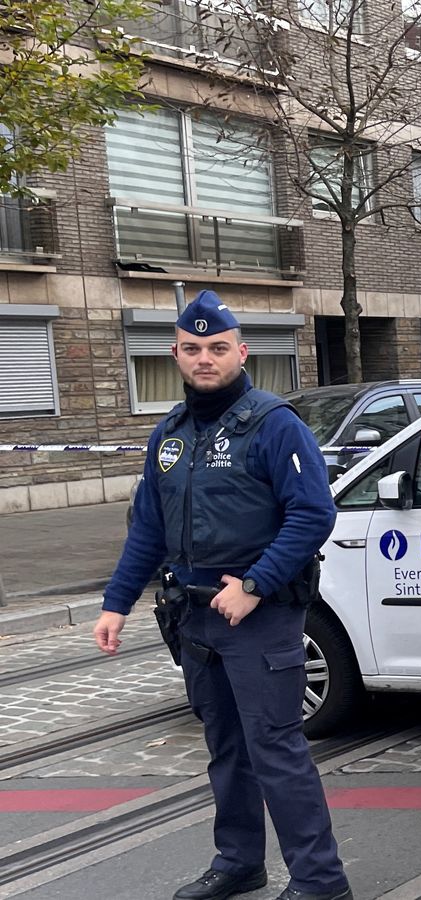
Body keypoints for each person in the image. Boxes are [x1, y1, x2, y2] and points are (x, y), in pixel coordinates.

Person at [92, 291, 350, 900]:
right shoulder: (170, 433)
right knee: (225, 748)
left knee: (276, 748)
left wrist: (256, 585)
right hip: (195, 615)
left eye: (216, 348)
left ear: (242, 351)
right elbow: (148, 529)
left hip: (258, 614)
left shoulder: (273, 423)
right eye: (192, 349)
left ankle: (320, 879)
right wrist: (115, 602)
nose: (204, 359)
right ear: (176, 355)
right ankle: (239, 860)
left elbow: (313, 514)